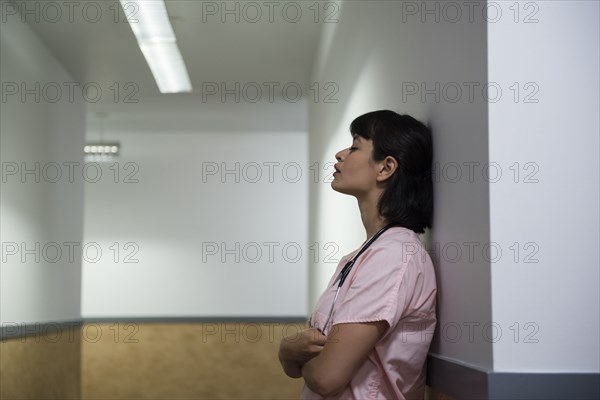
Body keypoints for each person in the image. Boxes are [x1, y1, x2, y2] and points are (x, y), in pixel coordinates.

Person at [278, 110, 437, 399]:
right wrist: (291, 355)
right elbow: (307, 360)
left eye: (354, 147)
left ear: (385, 168)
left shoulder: (394, 255)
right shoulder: (359, 257)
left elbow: (326, 377)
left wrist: (289, 352)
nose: (340, 154)